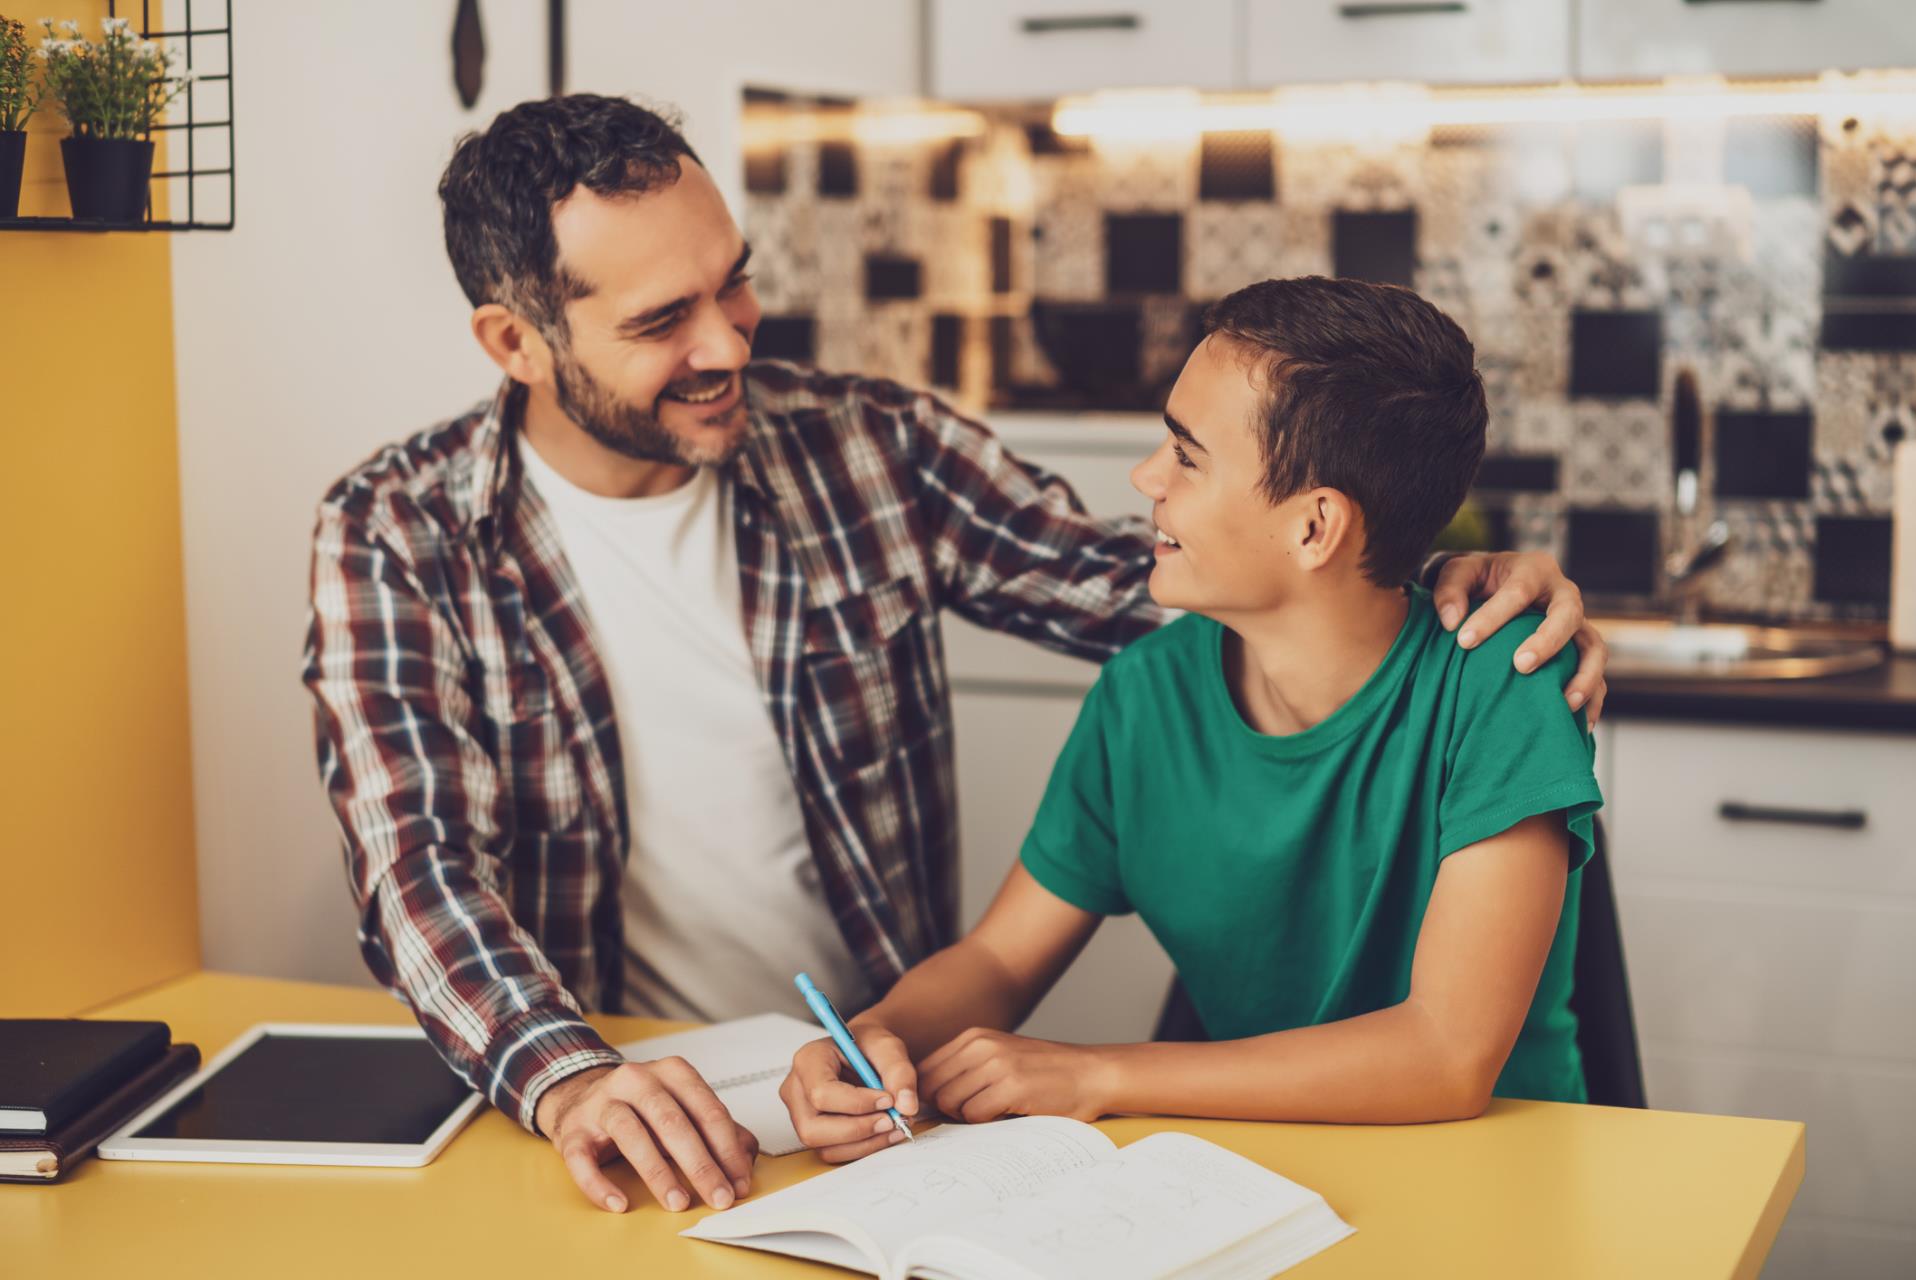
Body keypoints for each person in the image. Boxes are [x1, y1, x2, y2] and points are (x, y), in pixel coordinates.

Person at [302, 94, 1608, 1215]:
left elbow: (1192, 586)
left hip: (873, 1095)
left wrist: (1434, 567)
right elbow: (418, 868)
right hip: (627, 1084)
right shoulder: (397, 534)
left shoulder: (864, 446)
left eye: (734, 281)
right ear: (515, 342)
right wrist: (573, 1074)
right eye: (663, 321)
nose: (730, 341)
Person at [780, 276, 1604, 1165]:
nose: (1145, 479)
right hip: (1259, 1173)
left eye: (1186, 456)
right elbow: (1000, 962)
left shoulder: (1501, 681)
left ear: (1316, 525)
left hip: (1495, 1178)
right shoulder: (1143, 697)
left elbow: (1446, 1059)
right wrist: (872, 1038)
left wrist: (1098, 1073)